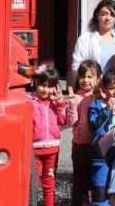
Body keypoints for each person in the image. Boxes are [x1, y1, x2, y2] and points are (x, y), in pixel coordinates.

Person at [28, 67, 69, 206]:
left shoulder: (56, 103)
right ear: (36, 83)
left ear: (56, 87)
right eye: (42, 85)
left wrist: (60, 104)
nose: (45, 90)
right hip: (34, 150)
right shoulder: (30, 102)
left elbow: (63, 121)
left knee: (49, 183)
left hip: (52, 149)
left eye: (50, 86)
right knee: (32, 184)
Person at [88, 70, 115, 206]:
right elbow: (93, 126)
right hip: (101, 155)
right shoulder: (96, 105)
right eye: (112, 88)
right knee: (100, 190)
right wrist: (107, 110)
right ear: (104, 89)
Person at [68, 59, 104, 206]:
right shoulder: (76, 97)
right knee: (80, 182)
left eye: (90, 77)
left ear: (98, 78)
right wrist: (71, 105)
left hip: (98, 144)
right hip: (81, 145)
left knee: (96, 181)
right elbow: (72, 123)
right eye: (82, 76)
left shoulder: (101, 96)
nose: (85, 80)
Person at [74, 0, 115, 73]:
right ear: (97, 15)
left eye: (112, 15)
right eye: (104, 14)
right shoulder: (85, 39)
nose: (108, 18)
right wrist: (91, 77)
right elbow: (76, 66)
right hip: (94, 84)